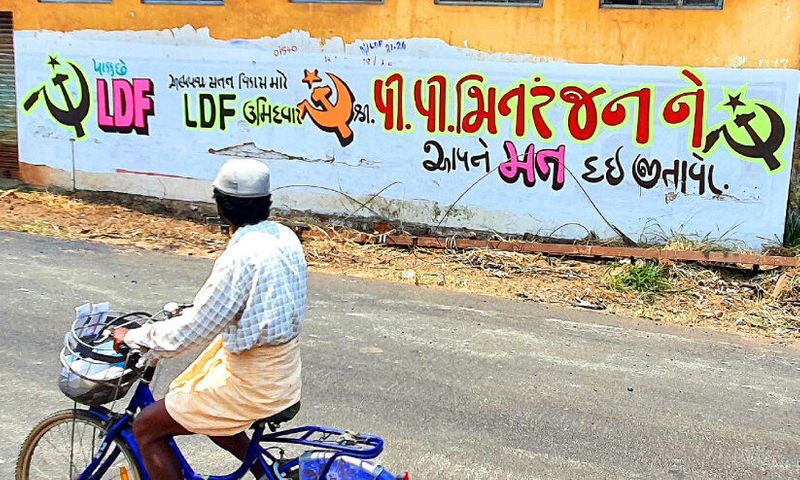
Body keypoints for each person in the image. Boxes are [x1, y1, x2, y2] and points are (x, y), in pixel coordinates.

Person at [113, 158, 308, 480]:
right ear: (267, 203)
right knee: (205, 406)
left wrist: (136, 337)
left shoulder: (241, 255)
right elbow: (250, 302)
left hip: (252, 383)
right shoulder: (283, 236)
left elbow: (190, 333)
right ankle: (267, 474)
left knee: (146, 427)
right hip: (283, 375)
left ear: (221, 206)